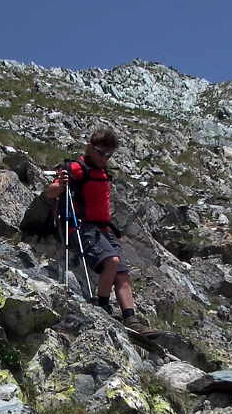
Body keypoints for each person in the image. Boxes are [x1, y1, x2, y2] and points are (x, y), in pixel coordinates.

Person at [44, 129, 153, 335]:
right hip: (82, 227)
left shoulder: (101, 172)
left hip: (102, 229)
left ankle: (131, 319)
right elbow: (50, 192)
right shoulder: (76, 168)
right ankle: (101, 305)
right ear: (90, 147)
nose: (104, 159)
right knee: (110, 261)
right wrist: (61, 184)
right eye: (101, 153)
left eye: (109, 155)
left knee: (123, 273)